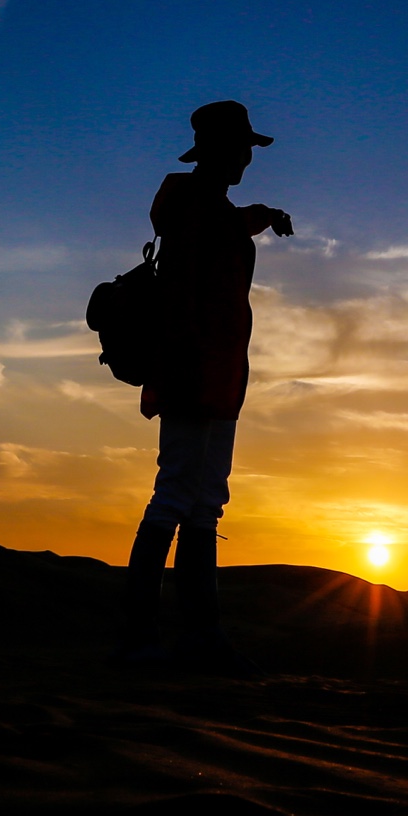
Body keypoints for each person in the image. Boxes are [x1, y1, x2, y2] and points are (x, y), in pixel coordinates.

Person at [116, 100, 293, 670]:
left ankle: (200, 637)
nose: (248, 157)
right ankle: (143, 640)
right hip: (196, 373)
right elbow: (185, 294)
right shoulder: (194, 208)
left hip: (218, 377)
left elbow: (228, 222)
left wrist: (264, 214)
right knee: (175, 496)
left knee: (204, 502)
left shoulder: (209, 208)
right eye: (243, 147)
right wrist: (190, 368)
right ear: (222, 150)